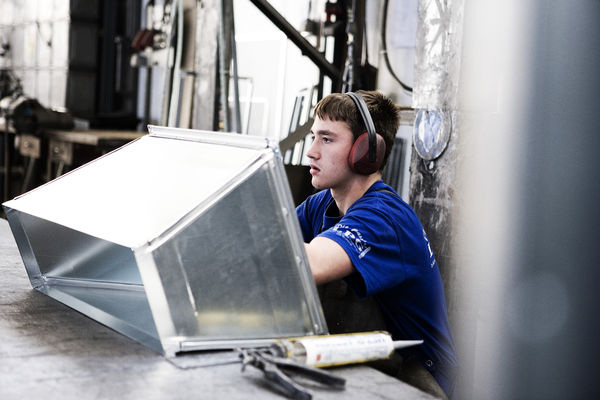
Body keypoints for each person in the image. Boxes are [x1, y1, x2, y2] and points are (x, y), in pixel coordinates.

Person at [295, 90, 458, 399]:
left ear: (367, 151)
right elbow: (270, 241)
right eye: (313, 137)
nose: (311, 152)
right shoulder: (321, 205)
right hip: (362, 371)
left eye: (326, 139)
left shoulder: (385, 217)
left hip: (414, 384)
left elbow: (307, 264)